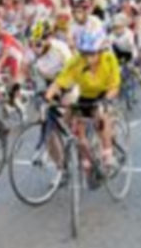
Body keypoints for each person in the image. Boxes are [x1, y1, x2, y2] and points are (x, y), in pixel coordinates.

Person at [45, 27, 121, 170]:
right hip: (85, 96)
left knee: (101, 115)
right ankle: (86, 159)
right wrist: (48, 97)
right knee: (72, 124)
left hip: (105, 93)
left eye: (92, 54)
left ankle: (108, 153)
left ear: (100, 51)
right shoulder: (76, 61)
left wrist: (105, 100)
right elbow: (60, 81)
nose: (88, 58)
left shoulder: (109, 59)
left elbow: (115, 86)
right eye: (85, 54)